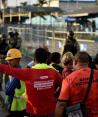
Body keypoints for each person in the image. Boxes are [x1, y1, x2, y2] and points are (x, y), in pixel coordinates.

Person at [0, 48, 62, 117]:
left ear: (34, 59)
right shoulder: (54, 72)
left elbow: (9, 70)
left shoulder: (28, 72)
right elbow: (63, 84)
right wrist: (56, 95)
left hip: (34, 112)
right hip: (50, 111)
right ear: (47, 59)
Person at [55, 51, 98, 117]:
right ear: (88, 62)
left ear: (74, 62)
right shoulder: (96, 74)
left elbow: (61, 105)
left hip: (77, 114)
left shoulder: (69, 79)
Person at [5, 48, 26, 117]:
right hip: (18, 106)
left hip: (17, 108)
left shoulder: (18, 74)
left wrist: (8, 84)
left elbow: (8, 91)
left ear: (18, 59)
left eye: (10, 60)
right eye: (8, 60)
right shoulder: (15, 71)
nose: (8, 62)